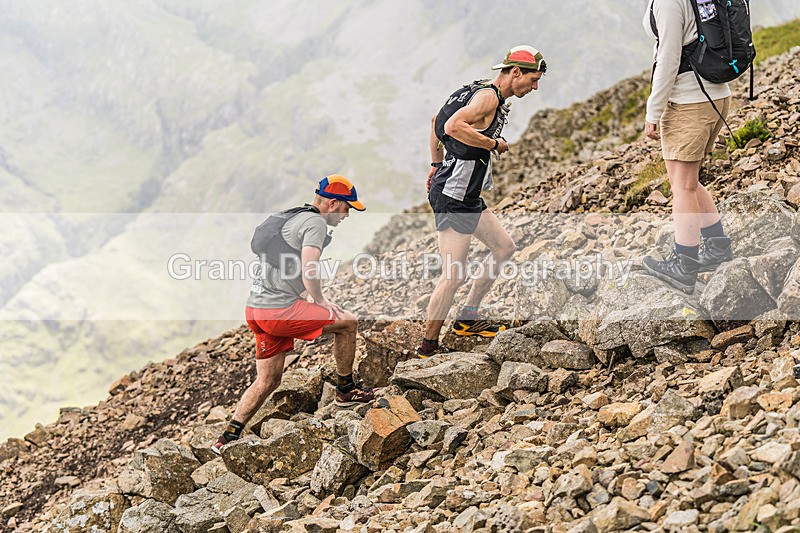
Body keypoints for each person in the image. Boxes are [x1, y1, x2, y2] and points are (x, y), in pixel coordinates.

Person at [213, 175, 374, 454]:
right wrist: (321, 300)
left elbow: (284, 261)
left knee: (268, 380)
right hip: (279, 311)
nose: (348, 215)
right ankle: (345, 390)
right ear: (333, 203)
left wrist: (299, 291)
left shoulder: (293, 216)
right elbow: (309, 267)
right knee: (348, 322)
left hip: (256, 308)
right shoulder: (315, 223)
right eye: (348, 208)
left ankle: (227, 437)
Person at [418, 46, 547, 358]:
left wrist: (435, 165)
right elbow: (451, 126)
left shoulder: (479, 90)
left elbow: (438, 118)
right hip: (454, 195)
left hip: (466, 193)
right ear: (515, 72)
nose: (535, 87)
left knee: (504, 248)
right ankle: (428, 347)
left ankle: (467, 318)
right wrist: (493, 144)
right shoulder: (488, 97)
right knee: (454, 275)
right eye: (532, 80)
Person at [641, 0, 734, 294]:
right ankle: (717, 245)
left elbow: (668, 57)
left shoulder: (668, 2)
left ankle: (684, 263)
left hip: (688, 101)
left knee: (682, 187)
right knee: (689, 182)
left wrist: (652, 112)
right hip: (715, 93)